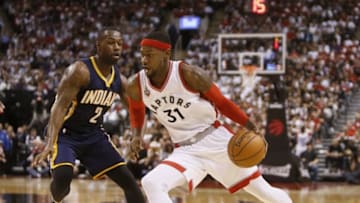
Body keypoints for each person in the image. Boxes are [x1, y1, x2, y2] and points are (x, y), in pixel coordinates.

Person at [127, 31, 292, 203]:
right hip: (185, 150)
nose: (144, 60)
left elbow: (222, 103)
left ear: (166, 54)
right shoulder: (135, 85)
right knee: (152, 182)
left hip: (216, 141)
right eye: (142, 55)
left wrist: (251, 126)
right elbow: (137, 111)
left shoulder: (189, 74)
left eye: (150, 55)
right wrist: (136, 136)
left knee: (263, 191)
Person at [31, 27, 145, 203]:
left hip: (94, 135)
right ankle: (54, 199)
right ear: (98, 46)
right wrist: (50, 142)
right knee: (63, 180)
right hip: (66, 134)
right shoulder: (80, 71)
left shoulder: (119, 80)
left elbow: (136, 109)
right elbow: (59, 107)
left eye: (120, 44)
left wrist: (137, 136)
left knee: (131, 185)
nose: (117, 47)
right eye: (111, 42)